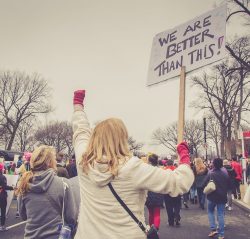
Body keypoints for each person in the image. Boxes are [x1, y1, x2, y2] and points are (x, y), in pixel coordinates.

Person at [72, 89, 194, 239]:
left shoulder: (83, 162)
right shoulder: (131, 168)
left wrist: (78, 106)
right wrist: (184, 156)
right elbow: (179, 182)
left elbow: (80, 131)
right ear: (122, 139)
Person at [17, 145, 78, 239]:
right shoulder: (63, 183)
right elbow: (71, 218)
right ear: (50, 162)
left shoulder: (24, 184)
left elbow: (23, 216)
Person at [203, 158, 230, 239]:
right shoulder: (225, 173)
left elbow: (204, 183)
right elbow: (228, 185)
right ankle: (221, 235)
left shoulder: (211, 173)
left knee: (210, 211)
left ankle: (213, 229)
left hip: (212, 196)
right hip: (222, 196)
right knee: (220, 214)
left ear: (213, 164)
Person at [145, 154, 164, 231]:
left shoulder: (147, 171)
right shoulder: (160, 170)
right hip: (158, 193)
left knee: (150, 214)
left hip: (149, 193)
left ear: (149, 161)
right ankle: (155, 229)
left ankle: (151, 229)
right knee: (157, 214)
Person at [163, 159, 182, 226]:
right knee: (177, 205)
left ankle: (170, 221)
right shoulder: (177, 170)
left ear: (167, 164)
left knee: (169, 207)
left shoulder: (164, 171)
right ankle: (177, 216)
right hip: (176, 190)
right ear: (173, 163)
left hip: (167, 191)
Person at [0, 163, 14, 231]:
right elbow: (5, 187)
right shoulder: (2, 177)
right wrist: (12, 187)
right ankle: (2, 226)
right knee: (3, 211)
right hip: (2, 196)